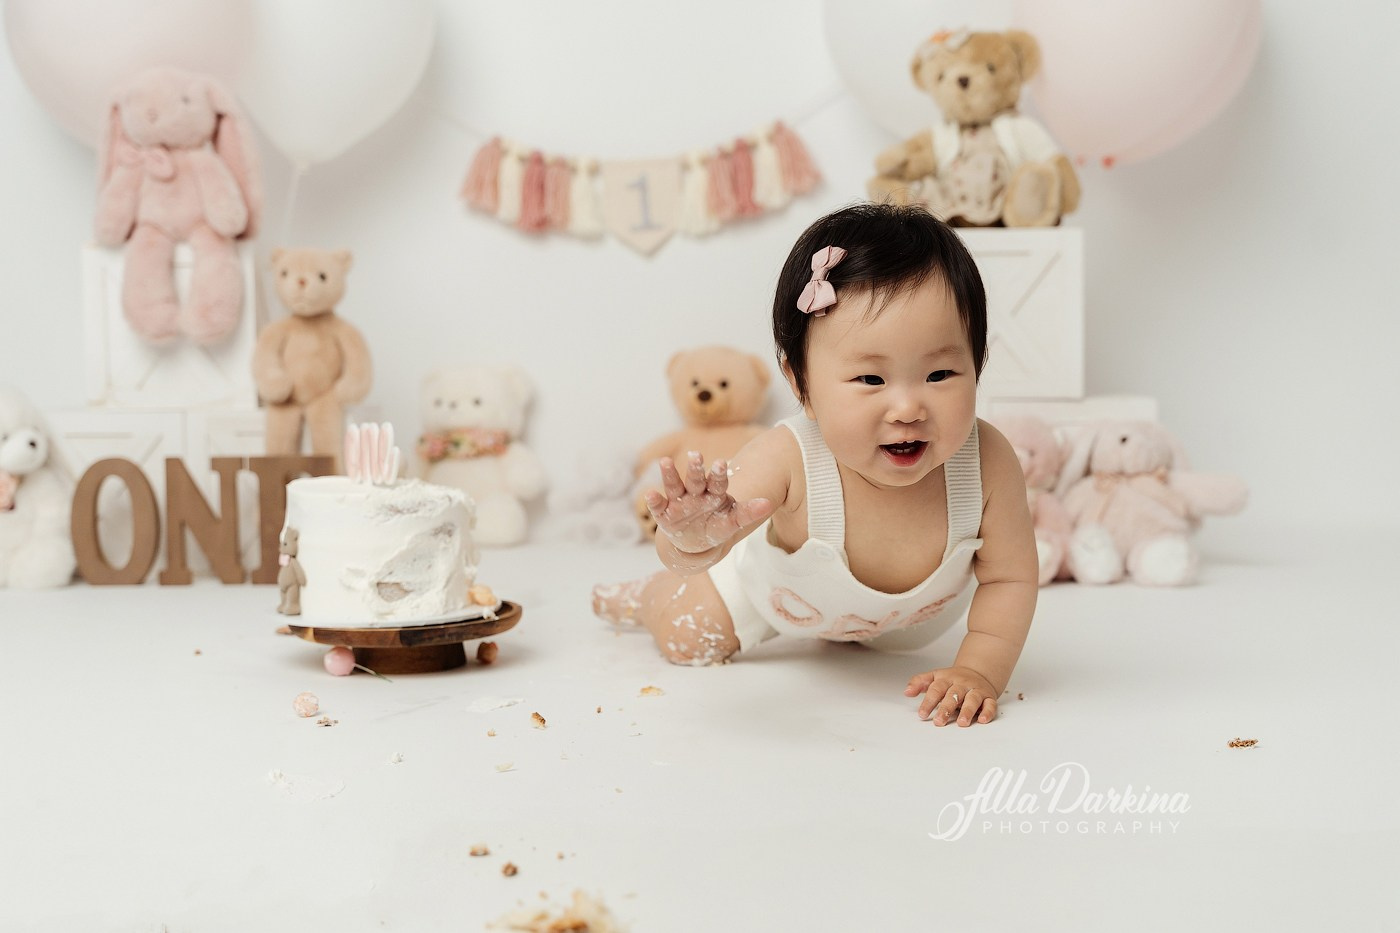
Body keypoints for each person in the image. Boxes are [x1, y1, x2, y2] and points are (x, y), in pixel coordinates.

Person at [592, 203, 1038, 727]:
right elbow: (700, 541)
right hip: (779, 597)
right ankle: (648, 597)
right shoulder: (789, 458)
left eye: (940, 373)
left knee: (890, 649)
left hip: (905, 625)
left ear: (977, 362)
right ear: (801, 383)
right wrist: (691, 538)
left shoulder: (988, 464)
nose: (908, 408)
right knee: (689, 636)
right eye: (871, 380)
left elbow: (1010, 579)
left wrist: (980, 670)